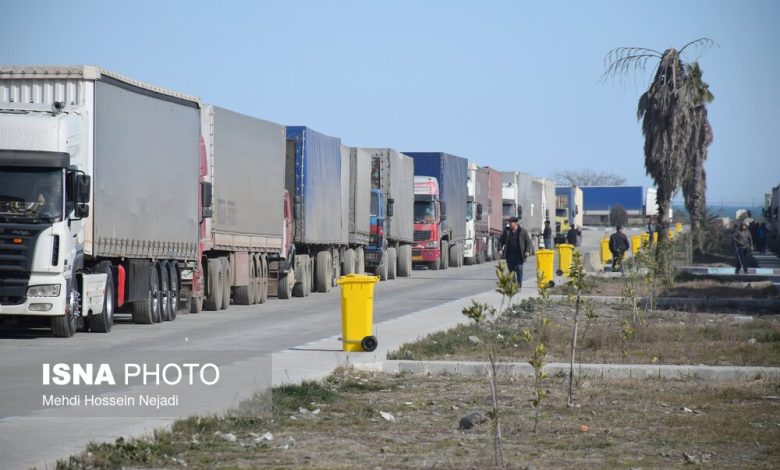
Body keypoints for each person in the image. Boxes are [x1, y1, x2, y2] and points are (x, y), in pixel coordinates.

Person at [499, 216, 532, 287]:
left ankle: (519, 285)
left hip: (519, 255)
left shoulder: (523, 231)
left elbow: (528, 242)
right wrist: (500, 249)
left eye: (511, 222)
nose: (510, 224)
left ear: (516, 223)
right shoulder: (507, 231)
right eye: (509, 222)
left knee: (519, 269)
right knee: (511, 271)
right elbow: (500, 241)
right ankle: (514, 285)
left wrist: (527, 251)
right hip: (509, 255)